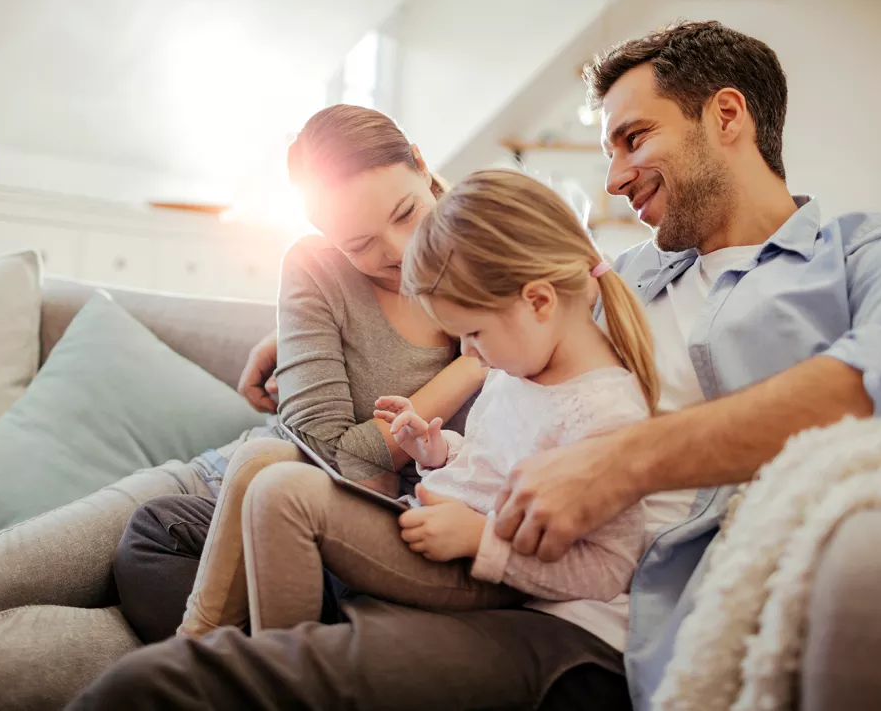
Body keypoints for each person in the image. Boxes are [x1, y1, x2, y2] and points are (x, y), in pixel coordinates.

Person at [69, 20, 881, 711]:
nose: (616, 178)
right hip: (462, 506)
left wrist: (628, 462)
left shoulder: (861, 254)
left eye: (633, 138)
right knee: (159, 534)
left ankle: (318, 632)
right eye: (609, 151)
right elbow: (495, 329)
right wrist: (310, 330)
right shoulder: (621, 275)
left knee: (163, 682)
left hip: (580, 600)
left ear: (728, 117)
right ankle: (324, 614)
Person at [0, 105, 488, 678]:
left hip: (325, 571)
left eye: (404, 212)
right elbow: (329, 454)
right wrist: (468, 368)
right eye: (360, 242)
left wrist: (475, 354)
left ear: (424, 165)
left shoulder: (500, 264)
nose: (396, 253)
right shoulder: (318, 268)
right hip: (208, 497)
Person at [191, 169, 656, 639]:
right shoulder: (517, 370)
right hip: (434, 525)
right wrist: (438, 452)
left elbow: (608, 569)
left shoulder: (604, 413)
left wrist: (482, 540)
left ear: (538, 302)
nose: (468, 354)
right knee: (257, 483)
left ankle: (267, 673)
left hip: (482, 571)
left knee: (283, 494)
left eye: (474, 333)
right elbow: (492, 463)